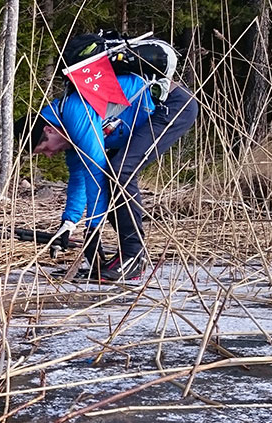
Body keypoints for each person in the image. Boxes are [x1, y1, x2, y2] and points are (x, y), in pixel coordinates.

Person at [14, 71, 198, 281]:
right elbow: (79, 179)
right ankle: (125, 256)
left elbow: (96, 177)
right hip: (160, 111)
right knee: (115, 172)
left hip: (174, 105)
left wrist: (93, 231)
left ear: (49, 130)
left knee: (119, 171)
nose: (48, 155)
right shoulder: (69, 134)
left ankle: (133, 257)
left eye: (44, 148)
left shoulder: (76, 114)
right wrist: (68, 224)